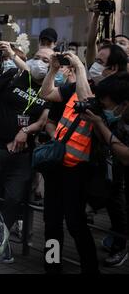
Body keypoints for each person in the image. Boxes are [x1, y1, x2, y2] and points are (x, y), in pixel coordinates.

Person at [0, 46, 52, 263]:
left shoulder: (51, 89)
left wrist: (25, 131)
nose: (39, 63)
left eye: (45, 60)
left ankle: (1, 239)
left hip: (22, 153)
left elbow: (44, 119)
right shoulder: (14, 75)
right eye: (36, 58)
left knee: (13, 199)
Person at [39, 51, 103, 274]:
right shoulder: (71, 89)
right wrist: (54, 69)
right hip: (57, 166)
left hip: (77, 170)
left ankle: (90, 269)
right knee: (52, 222)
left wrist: (81, 67)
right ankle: (52, 265)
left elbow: (88, 102)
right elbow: (45, 93)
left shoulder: (103, 95)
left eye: (101, 63)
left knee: (76, 224)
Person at [81, 74, 129, 267]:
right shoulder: (120, 116)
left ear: (124, 104)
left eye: (107, 106)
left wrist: (100, 123)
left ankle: (121, 248)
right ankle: (118, 243)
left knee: (120, 210)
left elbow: (125, 155)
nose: (106, 110)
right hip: (116, 175)